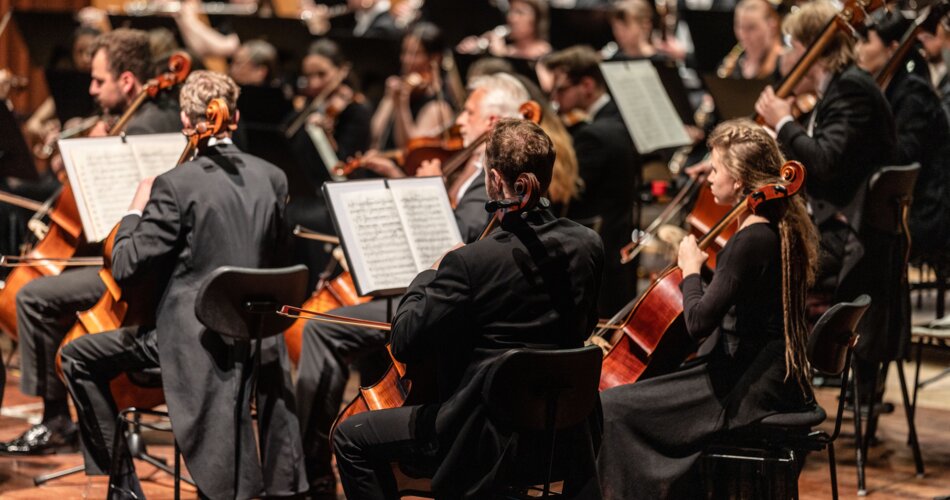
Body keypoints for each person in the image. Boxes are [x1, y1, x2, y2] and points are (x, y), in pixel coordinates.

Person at [59, 70, 307, 499]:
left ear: (187, 123)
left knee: (76, 356)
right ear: (235, 117)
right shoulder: (273, 177)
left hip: (196, 339)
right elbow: (279, 256)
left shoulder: (174, 185)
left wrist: (137, 208)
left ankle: (123, 487)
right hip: (259, 338)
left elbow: (127, 265)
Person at [332, 117, 605, 500]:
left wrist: (427, 276)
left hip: (482, 436)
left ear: (494, 179)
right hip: (563, 432)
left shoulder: (470, 263)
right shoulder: (588, 243)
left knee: (351, 436)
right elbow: (584, 322)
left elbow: (406, 340)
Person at [294, 73, 527, 497]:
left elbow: (457, 248)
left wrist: (433, 189)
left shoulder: (492, 183)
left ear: (492, 121)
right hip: (426, 291)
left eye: (468, 112)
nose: (459, 120)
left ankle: (313, 472)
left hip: (443, 301)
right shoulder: (479, 170)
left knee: (321, 328)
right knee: (350, 333)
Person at [597, 118, 818, 499]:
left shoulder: (749, 239)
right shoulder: (782, 226)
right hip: (770, 376)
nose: (709, 177)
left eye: (715, 169)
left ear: (738, 178)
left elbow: (698, 322)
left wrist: (691, 270)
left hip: (745, 389)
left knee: (612, 407)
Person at [1, 28, 181, 457]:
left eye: (99, 80)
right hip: (129, 260)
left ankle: (56, 421)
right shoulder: (152, 118)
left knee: (32, 297)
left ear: (128, 81)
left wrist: (92, 160)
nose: (91, 89)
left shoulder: (143, 130)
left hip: (137, 270)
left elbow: (116, 216)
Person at [541, 45, 639, 316]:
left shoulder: (595, 135)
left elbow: (564, 193)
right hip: (618, 237)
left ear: (586, 85)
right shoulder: (615, 118)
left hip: (600, 250)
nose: (556, 100)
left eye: (560, 90)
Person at [857, 9, 950, 262]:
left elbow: (903, 157)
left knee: (848, 229)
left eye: (866, 42)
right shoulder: (894, 87)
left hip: (922, 211)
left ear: (892, 48)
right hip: (901, 204)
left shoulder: (913, 94)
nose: (859, 50)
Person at [370, 22, 455, 151]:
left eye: (415, 54)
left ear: (435, 58)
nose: (406, 60)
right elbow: (375, 135)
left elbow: (412, 149)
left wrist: (401, 105)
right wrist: (388, 98)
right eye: (404, 52)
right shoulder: (404, 89)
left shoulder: (438, 105)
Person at [456, 0, 552, 60]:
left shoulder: (547, 54)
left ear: (538, 19)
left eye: (520, 12)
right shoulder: (507, 50)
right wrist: (472, 53)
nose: (511, 18)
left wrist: (501, 56)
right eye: (511, 11)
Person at [718, 0, 783, 80]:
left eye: (751, 28)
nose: (743, 35)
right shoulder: (735, 64)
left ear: (772, 26)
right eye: (739, 26)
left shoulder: (784, 65)